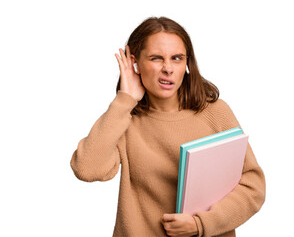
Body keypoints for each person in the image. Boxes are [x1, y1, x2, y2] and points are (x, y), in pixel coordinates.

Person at [70, 16, 266, 237]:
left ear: (186, 63)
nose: (168, 68)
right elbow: (87, 169)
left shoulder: (215, 112)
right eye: (156, 58)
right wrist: (124, 100)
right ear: (135, 63)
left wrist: (201, 224)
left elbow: (253, 187)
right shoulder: (124, 120)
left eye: (176, 58)